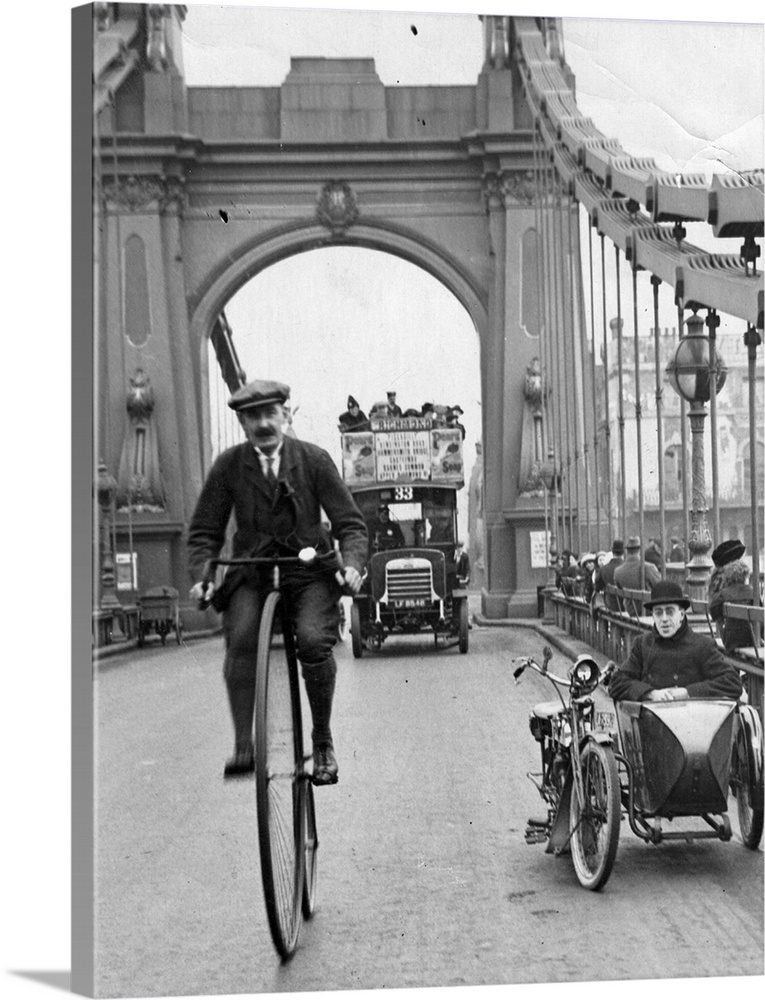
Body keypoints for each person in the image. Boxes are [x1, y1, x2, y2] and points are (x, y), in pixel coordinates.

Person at [187, 379, 368, 784]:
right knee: (242, 636)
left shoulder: (314, 460)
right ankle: (243, 745)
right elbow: (204, 533)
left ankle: (322, 742)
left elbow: (350, 524)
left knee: (312, 640)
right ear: (243, 422)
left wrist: (353, 563)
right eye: (253, 417)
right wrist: (202, 575)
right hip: (252, 572)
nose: (263, 424)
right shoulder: (229, 467)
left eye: (270, 414)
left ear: (286, 416)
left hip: (307, 573)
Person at [608, 581, 743, 703]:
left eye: (670, 611)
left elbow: (732, 682)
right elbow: (617, 683)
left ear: (682, 615)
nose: (664, 619)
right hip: (652, 723)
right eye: (658, 613)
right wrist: (649, 693)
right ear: (653, 616)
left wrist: (689, 692)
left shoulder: (702, 645)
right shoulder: (643, 644)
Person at [709, 555, 755, 653]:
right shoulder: (753, 592)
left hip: (731, 641)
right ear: (745, 575)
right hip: (753, 640)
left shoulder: (723, 593)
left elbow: (714, 614)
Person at [613, 536, 661, 601]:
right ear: (639, 550)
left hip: (630, 609)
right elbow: (660, 587)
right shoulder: (649, 567)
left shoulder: (617, 571)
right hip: (648, 608)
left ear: (627, 551)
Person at [593, 539, 625, 610]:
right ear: (623, 552)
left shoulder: (604, 569)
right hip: (627, 608)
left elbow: (597, 587)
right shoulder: (626, 568)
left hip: (610, 606)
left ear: (612, 551)